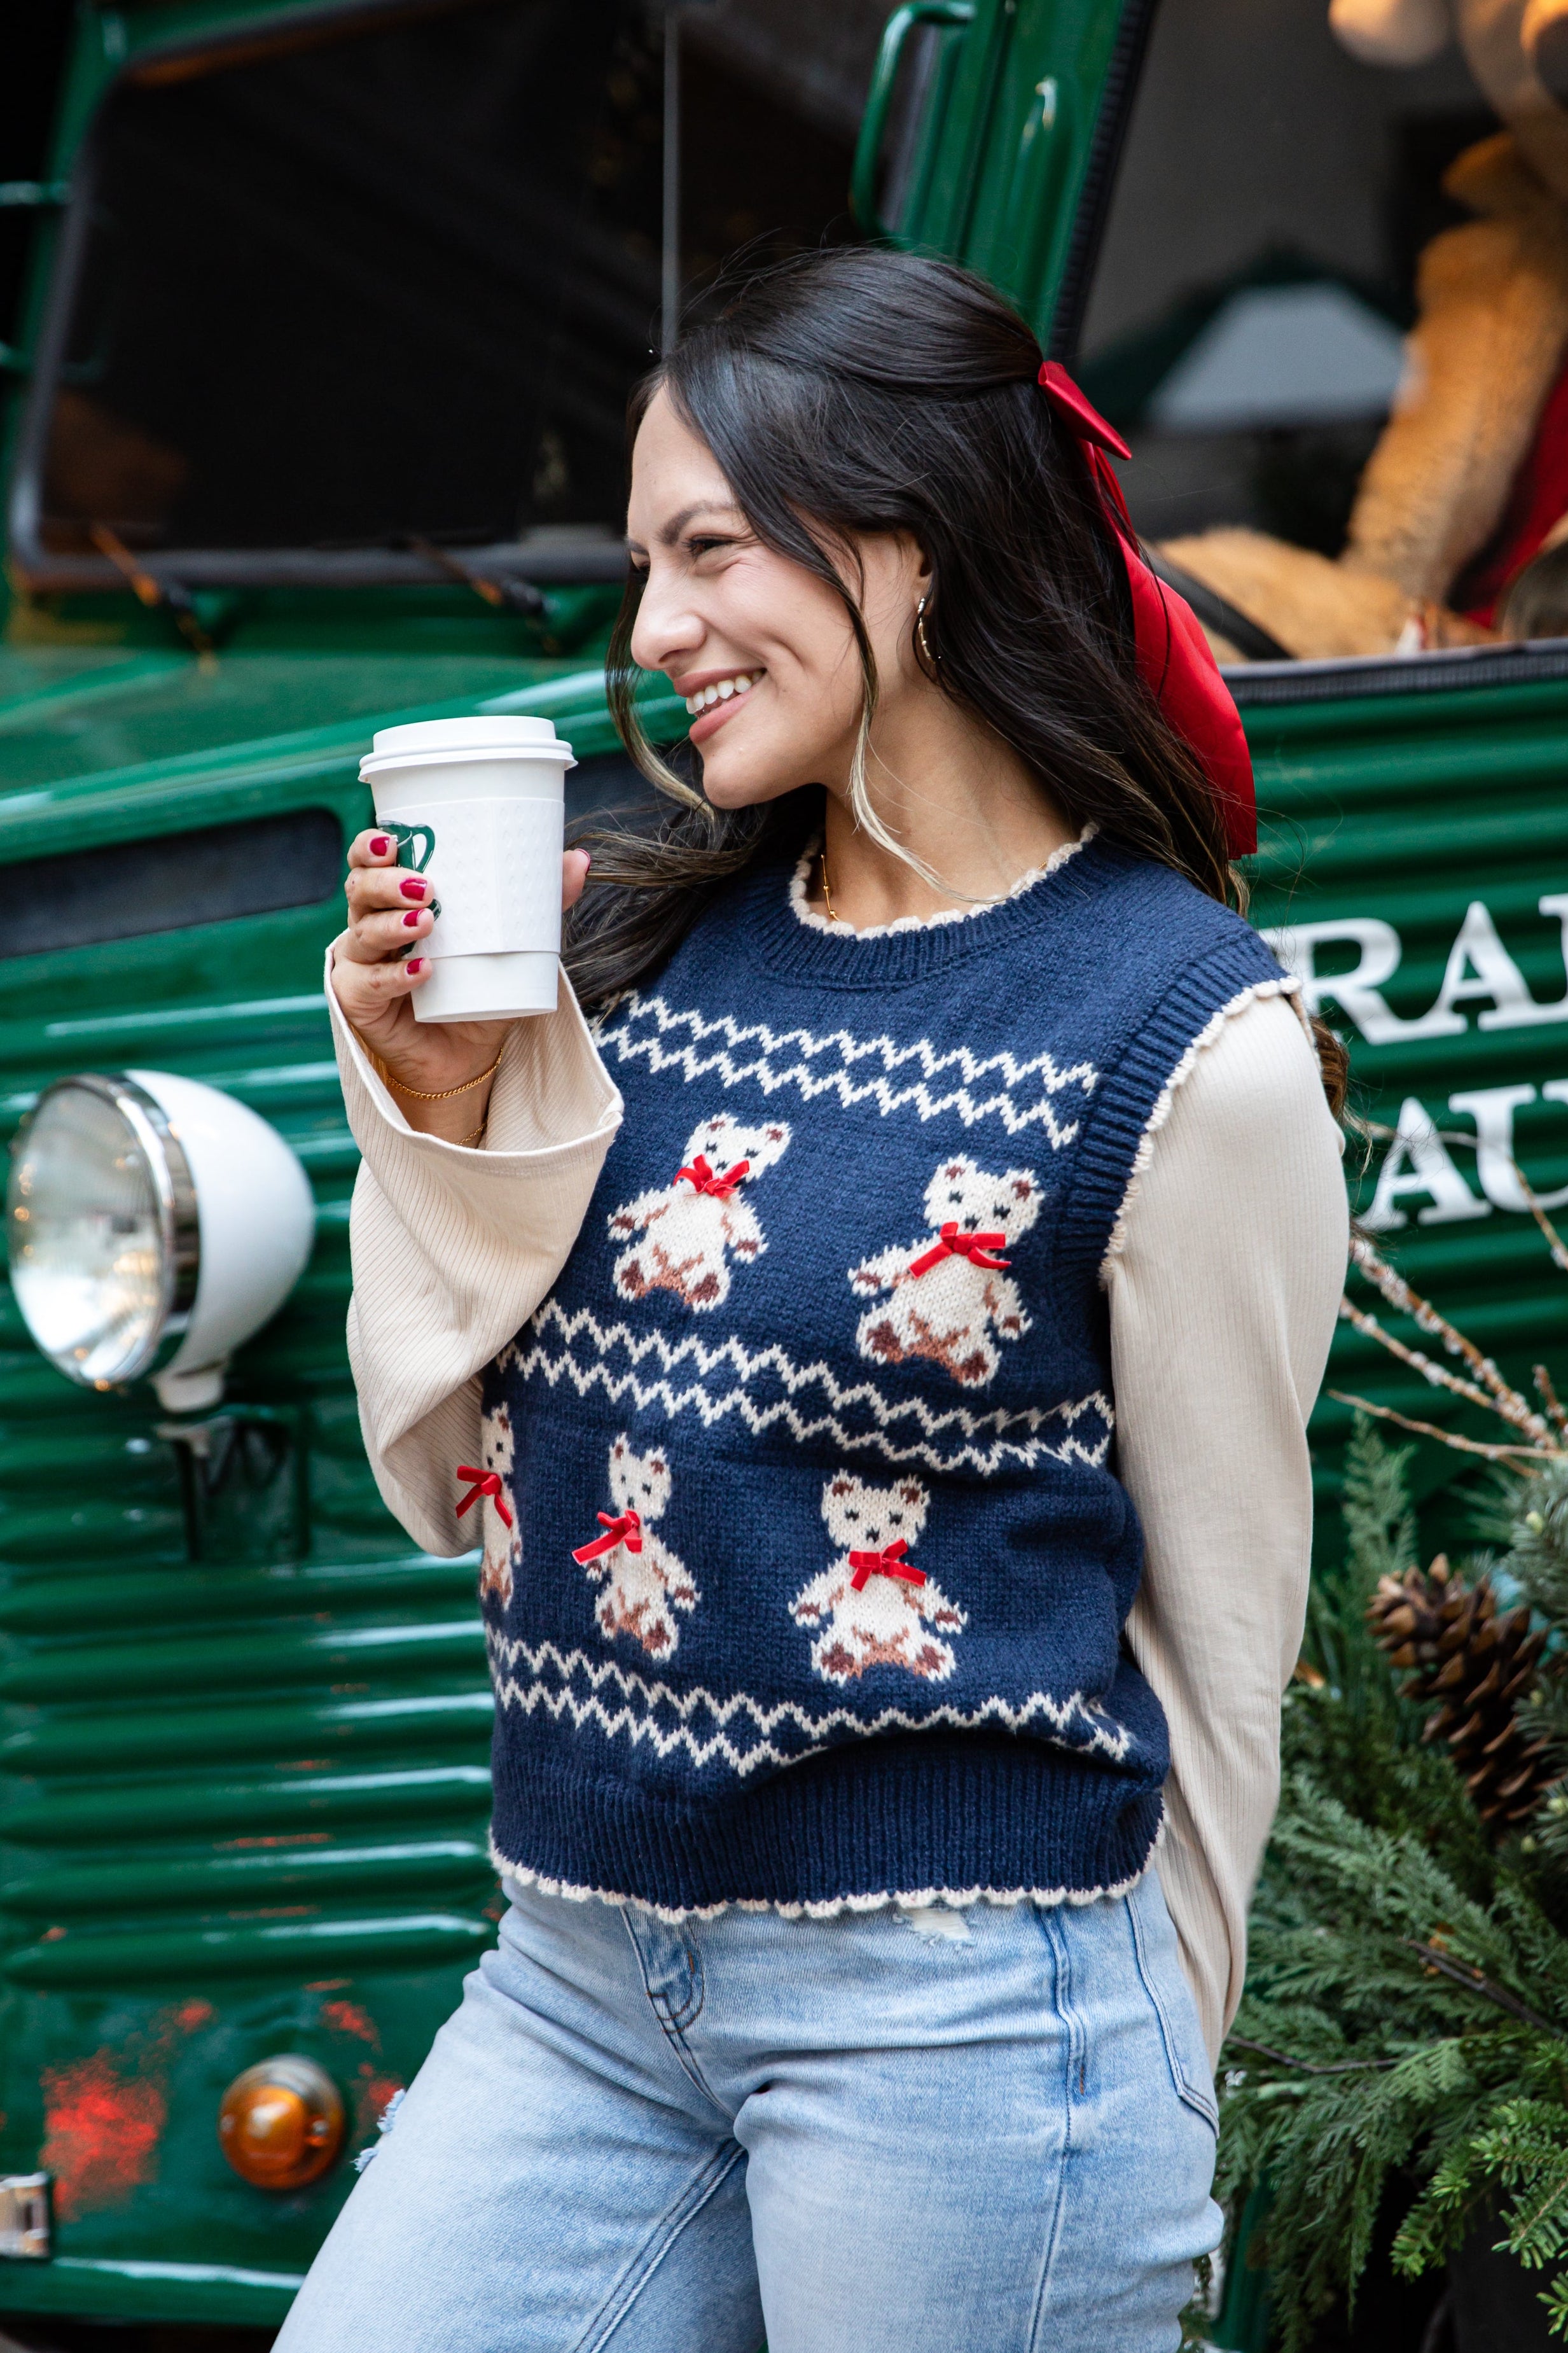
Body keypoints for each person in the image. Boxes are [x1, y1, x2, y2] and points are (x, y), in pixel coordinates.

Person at [275, 247, 1348, 2353]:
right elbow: (447, 1467)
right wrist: (430, 1098)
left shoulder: (1185, 1043)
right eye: (644, 565)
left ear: (916, 551)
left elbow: (1230, 1646)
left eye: (707, 552)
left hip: (964, 2022)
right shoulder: (646, 952)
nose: (656, 630)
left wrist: (1147, 2098)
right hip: (582, 1975)